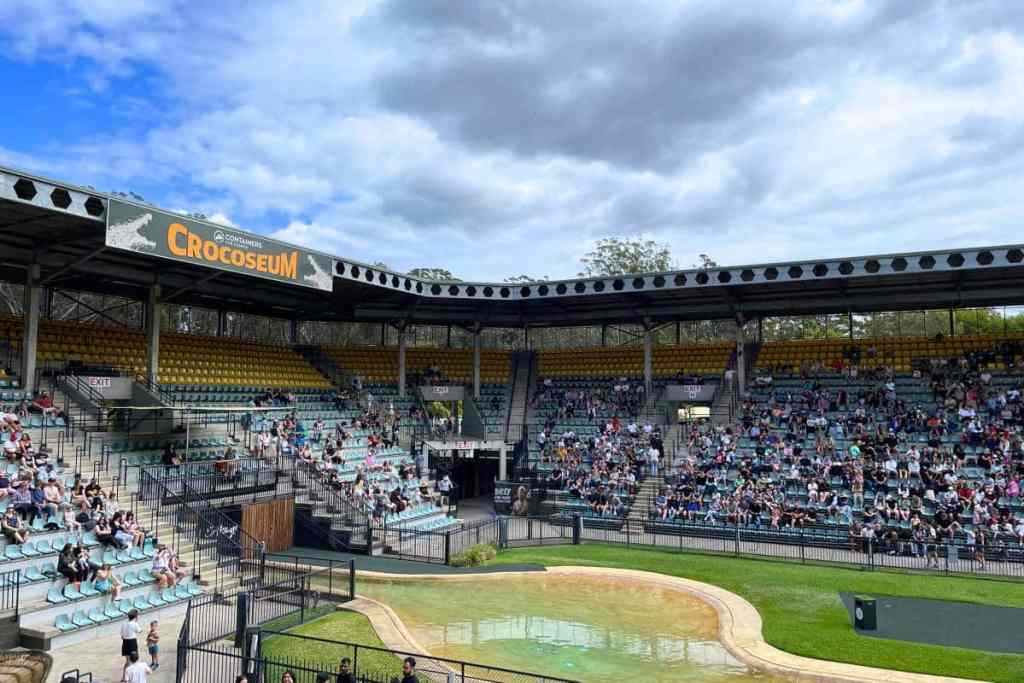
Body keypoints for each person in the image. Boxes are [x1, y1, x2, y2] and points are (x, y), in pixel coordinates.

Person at [121, 609, 142, 681]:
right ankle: (130, 678)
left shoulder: (124, 624)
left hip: (125, 643)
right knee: (133, 661)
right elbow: (140, 631)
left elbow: (122, 636)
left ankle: (124, 677)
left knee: (127, 661)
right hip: (132, 642)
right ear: (136, 617)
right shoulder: (135, 624)